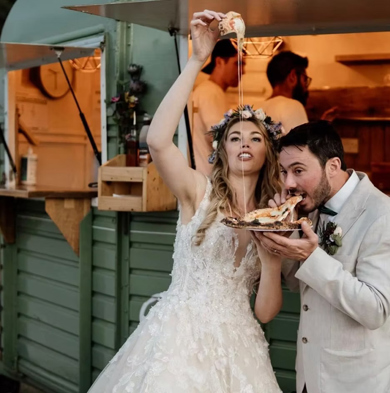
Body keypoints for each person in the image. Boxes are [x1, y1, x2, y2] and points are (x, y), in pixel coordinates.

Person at [88, 10, 283, 392]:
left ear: (267, 154)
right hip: (179, 340)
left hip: (239, 347)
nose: (245, 142)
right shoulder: (197, 191)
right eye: (235, 137)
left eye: (256, 138)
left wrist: (272, 261)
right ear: (222, 150)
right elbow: (158, 142)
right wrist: (197, 60)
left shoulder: (273, 214)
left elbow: (264, 312)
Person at [254, 121, 390, 393]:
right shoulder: (311, 208)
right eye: (284, 171)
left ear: (333, 166)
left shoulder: (383, 216)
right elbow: (297, 283)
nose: (289, 183)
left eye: (299, 170)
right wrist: (285, 234)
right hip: (311, 376)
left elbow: (375, 310)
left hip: (358, 381)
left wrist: (312, 257)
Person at [191, 38, 245, 176]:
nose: (242, 71)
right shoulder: (210, 92)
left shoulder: (212, 91)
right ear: (220, 62)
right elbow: (217, 137)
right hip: (209, 178)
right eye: (238, 64)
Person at [261, 51, 337, 135]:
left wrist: (322, 125)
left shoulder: (259, 108)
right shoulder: (292, 106)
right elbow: (304, 147)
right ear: (293, 76)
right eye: (305, 79)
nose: (306, 87)